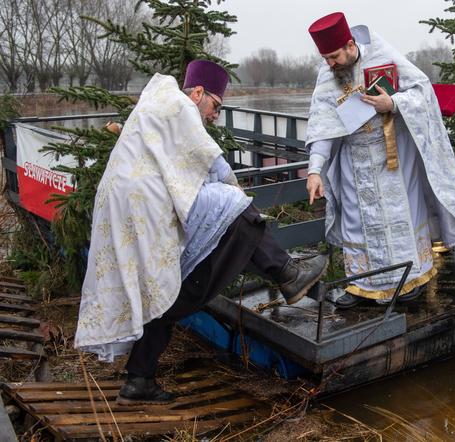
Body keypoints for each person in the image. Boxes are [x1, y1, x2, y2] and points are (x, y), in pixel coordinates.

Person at [74, 59, 327, 404]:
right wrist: (239, 197)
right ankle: (287, 274)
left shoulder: (159, 103)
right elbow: (212, 162)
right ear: (197, 93)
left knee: (161, 286)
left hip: (131, 206)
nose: (214, 116)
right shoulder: (179, 105)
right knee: (231, 214)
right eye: (215, 106)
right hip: (143, 205)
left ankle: (138, 381)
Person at [305, 13, 455, 309]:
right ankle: (360, 285)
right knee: (357, 222)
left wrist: (392, 103)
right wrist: (315, 169)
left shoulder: (383, 53)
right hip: (353, 161)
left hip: (392, 157)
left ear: (349, 44)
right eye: (325, 58)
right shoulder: (327, 73)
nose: (329, 64)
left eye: (333, 57)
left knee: (399, 218)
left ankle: (409, 279)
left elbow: (422, 93)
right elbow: (322, 126)